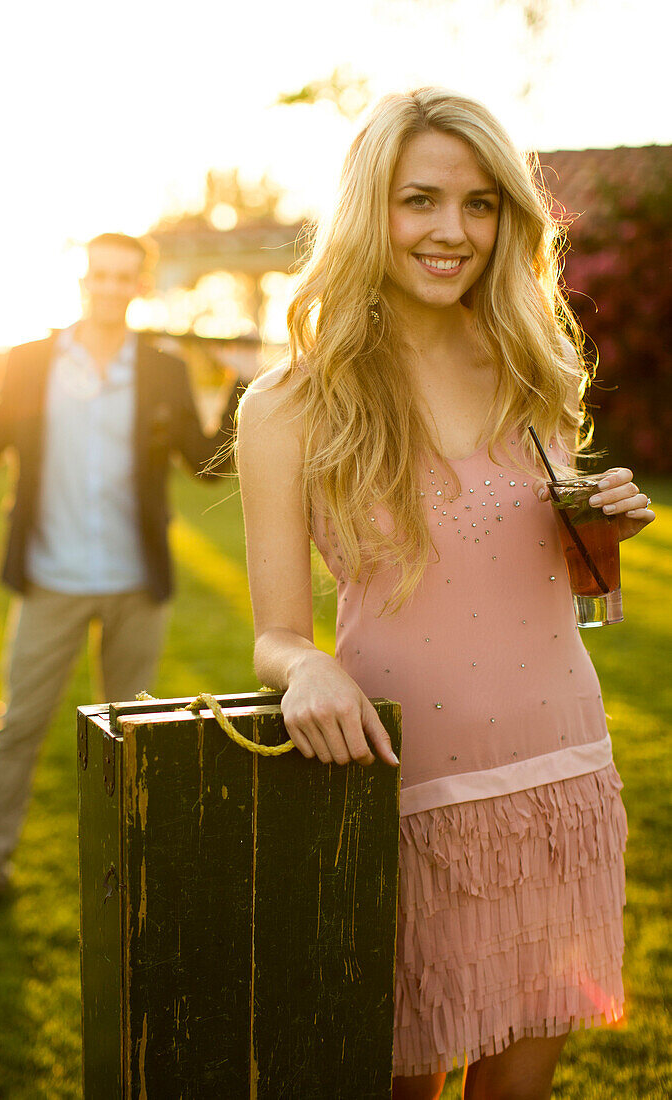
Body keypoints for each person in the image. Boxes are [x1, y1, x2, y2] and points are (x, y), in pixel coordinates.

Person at [236, 89, 655, 1100]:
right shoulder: (291, 403)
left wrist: (601, 528)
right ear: (368, 208)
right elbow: (277, 636)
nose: (452, 231)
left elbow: (532, 569)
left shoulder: (535, 367)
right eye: (419, 199)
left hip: (562, 775)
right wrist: (311, 669)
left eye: (480, 204)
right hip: (407, 787)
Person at [0, 232, 242, 916]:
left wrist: (241, 382)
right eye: (98, 274)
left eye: (123, 277)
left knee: (134, 735)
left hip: (135, 582)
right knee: (18, 728)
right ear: (82, 281)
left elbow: (205, 461)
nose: (108, 287)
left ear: (139, 286)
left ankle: (135, 873)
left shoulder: (161, 367)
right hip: (50, 578)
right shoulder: (32, 361)